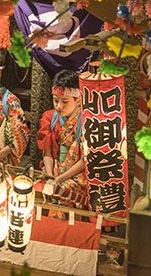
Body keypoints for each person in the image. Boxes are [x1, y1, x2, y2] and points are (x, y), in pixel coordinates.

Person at [36, 70, 87, 207]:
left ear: (78, 99)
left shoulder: (85, 122)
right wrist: (49, 175)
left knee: (63, 191)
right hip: (55, 171)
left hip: (77, 175)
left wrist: (58, 180)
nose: (59, 106)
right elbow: (47, 153)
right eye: (56, 100)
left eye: (64, 101)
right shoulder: (49, 118)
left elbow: (84, 160)